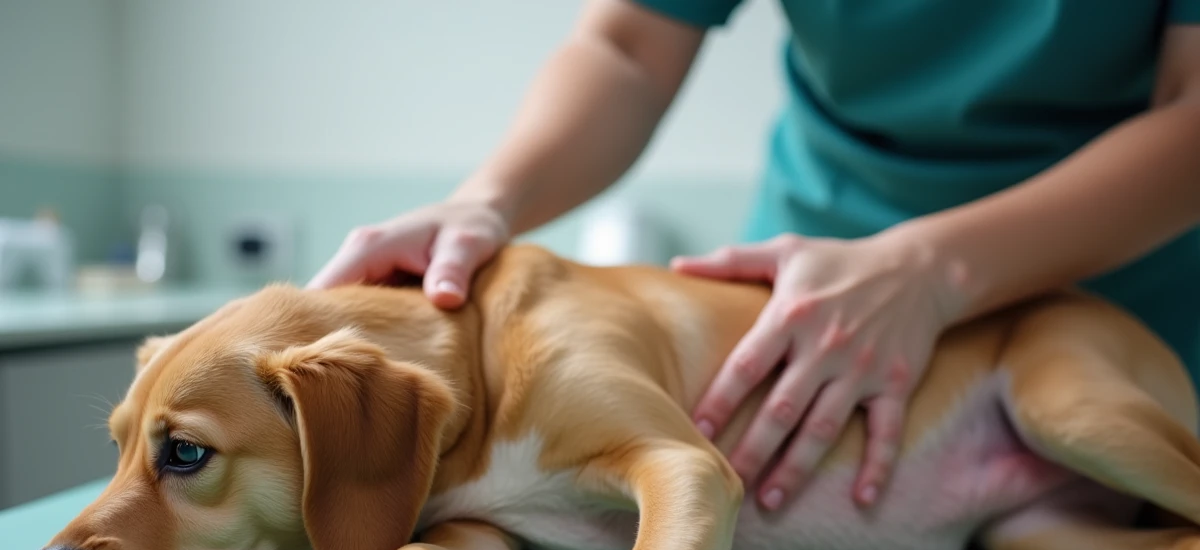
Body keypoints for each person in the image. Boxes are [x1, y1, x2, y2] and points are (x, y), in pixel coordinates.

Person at [308, 0, 1200, 513]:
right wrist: (489, 198)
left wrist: (932, 272)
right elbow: (628, 47)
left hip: (1105, 310)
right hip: (804, 312)